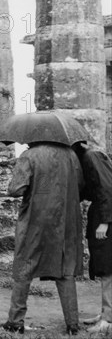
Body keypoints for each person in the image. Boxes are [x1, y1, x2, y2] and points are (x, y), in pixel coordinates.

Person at [1, 142, 84, 336]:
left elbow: (15, 190)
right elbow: (80, 186)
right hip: (65, 219)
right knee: (65, 270)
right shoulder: (71, 155)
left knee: (24, 267)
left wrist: (17, 173)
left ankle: (15, 321)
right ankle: (72, 325)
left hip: (35, 219)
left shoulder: (29, 156)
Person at [72, 142, 112, 334]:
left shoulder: (91, 157)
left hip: (106, 217)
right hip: (101, 213)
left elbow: (106, 188)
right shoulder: (89, 157)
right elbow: (93, 189)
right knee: (103, 265)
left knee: (107, 267)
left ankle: (108, 318)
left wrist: (105, 221)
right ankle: (106, 311)